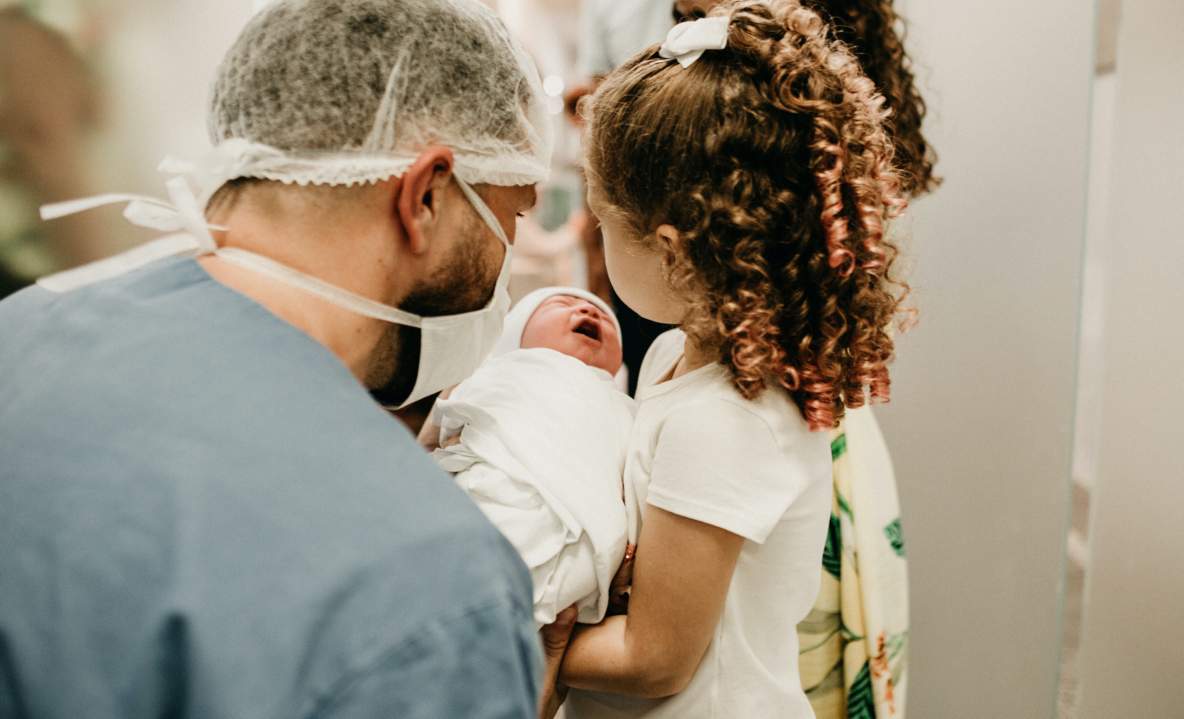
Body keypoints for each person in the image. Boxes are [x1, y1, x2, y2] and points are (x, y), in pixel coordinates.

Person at [0, 1, 576, 717]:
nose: (506, 260)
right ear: (425, 195)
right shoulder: (428, 587)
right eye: (512, 217)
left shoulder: (22, 330)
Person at [557, 2, 911, 717]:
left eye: (603, 223)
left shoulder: (722, 421)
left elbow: (653, 658)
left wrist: (521, 631)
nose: (596, 242)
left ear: (671, 252)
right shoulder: (674, 359)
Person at [428, 287, 635, 627]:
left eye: (607, 320)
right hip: (497, 494)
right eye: (562, 304)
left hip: (587, 533)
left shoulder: (628, 409)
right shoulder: (504, 372)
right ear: (514, 335)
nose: (589, 312)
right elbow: (448, 424)